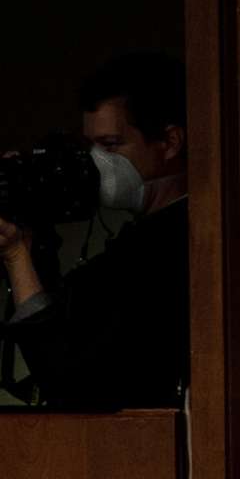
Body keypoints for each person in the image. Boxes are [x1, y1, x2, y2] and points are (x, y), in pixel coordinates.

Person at [0, 51, 190, 410]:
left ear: (169, 142)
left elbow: (71, 377)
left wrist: (16, 255)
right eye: (90, 145)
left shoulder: (175, 245)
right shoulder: (139, 239)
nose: (96, 161)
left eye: (111, 145)